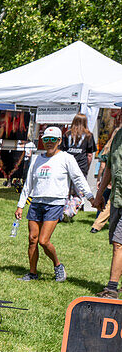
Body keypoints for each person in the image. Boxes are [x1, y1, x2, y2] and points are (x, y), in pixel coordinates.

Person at [15, 126, 94, 282]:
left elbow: (78, 178)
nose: (49, 143)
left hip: (55, 204)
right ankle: (32, 273)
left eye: (53, 140)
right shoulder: (37, 159)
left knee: (43, 241)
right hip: (37, 202)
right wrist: (20, 205)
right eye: (46, 139)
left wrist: (90, 196)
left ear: (59, 141)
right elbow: (28, 183)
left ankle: (58, 265)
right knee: (32, 239)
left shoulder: (66, 158)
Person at [93, 109, 122, 296]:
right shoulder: (118, 134)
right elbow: (110, 168)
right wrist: (100, 194)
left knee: (119, 243)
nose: (118, 116)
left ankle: (111, 288)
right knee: (116, 241)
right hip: (117, 198)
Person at [62, 113, 96, 219]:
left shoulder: (67, 134)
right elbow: (89, 155)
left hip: (66, 166)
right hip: (81, 166)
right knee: (79, 192)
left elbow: (62, 151)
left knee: (65, 190)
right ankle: (70, 212)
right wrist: (87, 167)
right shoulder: (89, 135)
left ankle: (63, 210)